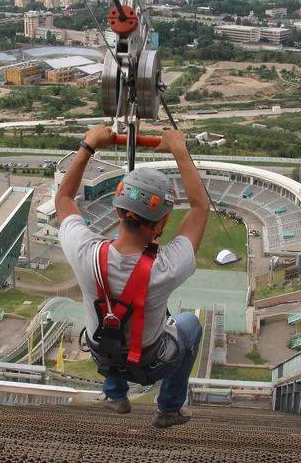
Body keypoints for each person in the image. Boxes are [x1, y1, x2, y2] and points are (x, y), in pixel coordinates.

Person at [56, 125, 210, 428]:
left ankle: (115, 394)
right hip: (150, 364)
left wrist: (89, 145)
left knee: (109, 320)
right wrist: (179, 149)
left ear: (117, 211)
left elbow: (64, 197)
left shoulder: (85, 253)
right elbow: (200, 207)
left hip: (102, 358)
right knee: (189, 324)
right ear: (162, 221)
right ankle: (168, 408)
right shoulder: (166, 268)